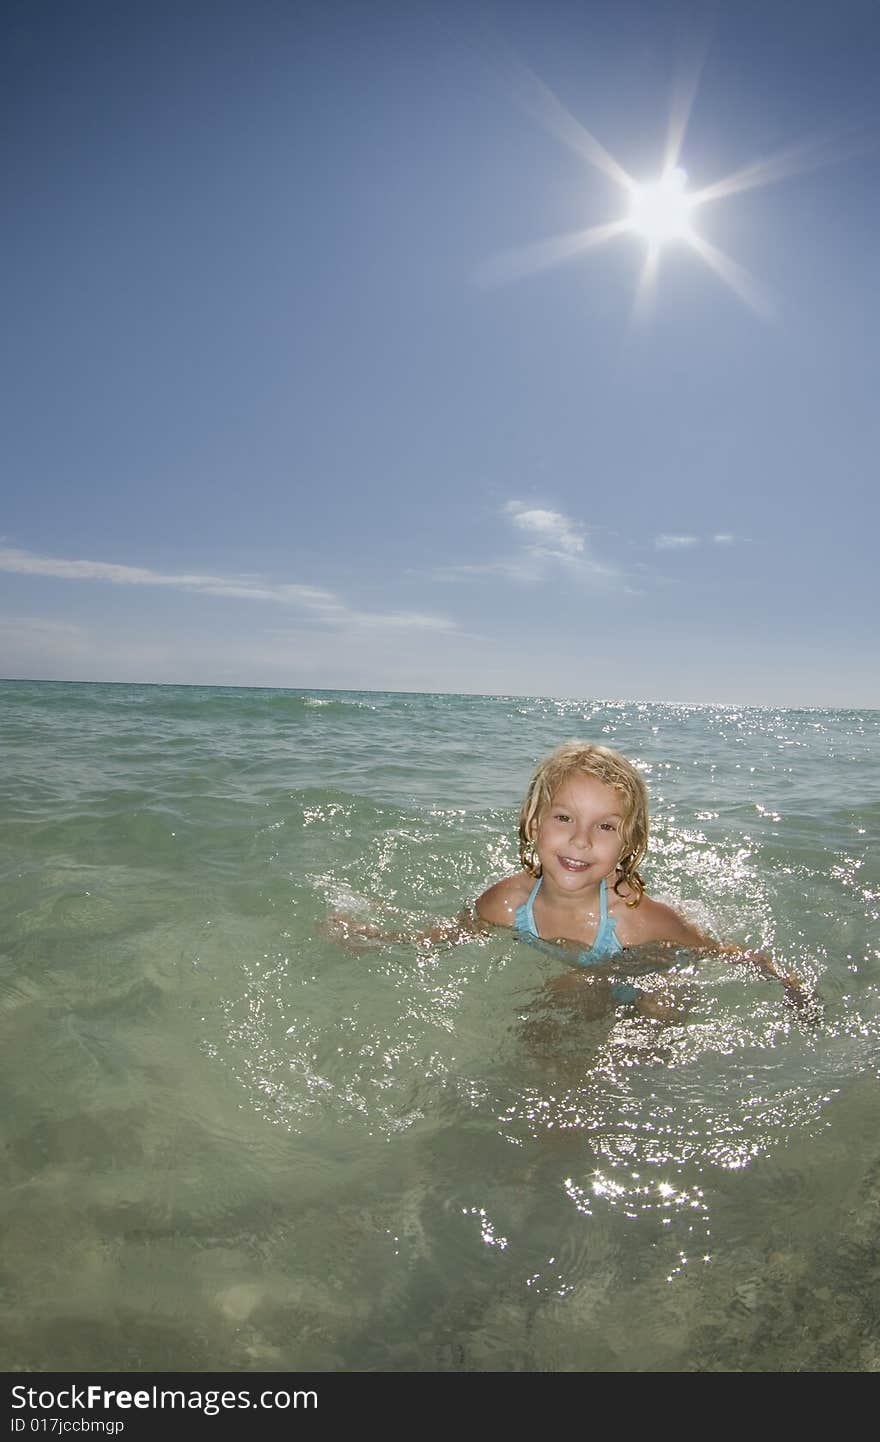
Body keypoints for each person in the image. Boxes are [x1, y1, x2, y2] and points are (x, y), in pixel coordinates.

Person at [475, 740, 816, 1020]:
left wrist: (787, 983)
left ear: (629, 843)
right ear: (535, 826)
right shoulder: (508, 901)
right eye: (564, 818)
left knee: (657, 1004)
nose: (581, 840)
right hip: (594, 977)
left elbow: (715, 951)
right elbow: (466, 924)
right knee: (557, 1006)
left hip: (652, 973)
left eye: (605, 826)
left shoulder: (637, 920)